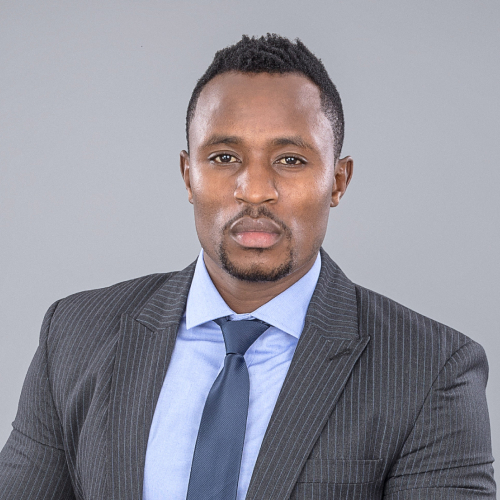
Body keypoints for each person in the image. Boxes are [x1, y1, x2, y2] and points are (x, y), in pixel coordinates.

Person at [0, 34, 495, 500]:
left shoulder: (430, 370)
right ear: (188, 175)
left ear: (338, 181)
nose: (255, 190)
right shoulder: (75, 335)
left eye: (290, 160)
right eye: (224, 157)